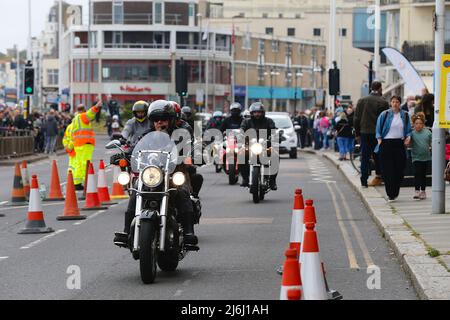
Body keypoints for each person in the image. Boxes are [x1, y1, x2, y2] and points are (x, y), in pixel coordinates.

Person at [114, 100, 199, 248]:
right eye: (155, 120)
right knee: (136, 190)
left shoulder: (182, 131)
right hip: (153, 173)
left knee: (182, 191)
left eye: (163, 119)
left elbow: (190, 145)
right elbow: (136, 146)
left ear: (171, 120)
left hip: (175, 170)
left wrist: (195, 154)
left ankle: (188, 233)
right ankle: (127, 231)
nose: (159, 123)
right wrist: (124, 155)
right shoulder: (149, 134)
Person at [375, 95, 412, 202]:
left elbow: (408, 130)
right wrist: (380, 141)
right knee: (387, 170)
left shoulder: (405, 115)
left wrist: (408, 137)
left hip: (399, 144)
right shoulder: (385, 114)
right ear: (390, 103)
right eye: (393, 102)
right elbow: (378, 129)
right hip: (386, 143)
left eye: (397, 102)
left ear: (400, 103)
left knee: (399, 170)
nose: (395, 104)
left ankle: (395, 191)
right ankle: (390, 193)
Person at [354, 81, 389, 188]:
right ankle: (380, 176)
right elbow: (385, 121)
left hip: (364, 133)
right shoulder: (383, 102)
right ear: (379, 89)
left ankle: (364, 180)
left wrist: (357, 134)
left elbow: (356, 119)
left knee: (365, 157)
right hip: (378, 134)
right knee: (379, 156)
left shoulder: (361, 101)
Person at [239, 102, 278, 190]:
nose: (257, 114)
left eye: (259, 112)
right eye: (255, 112)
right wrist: (240, 135)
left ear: (263, 112)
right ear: (251, 113)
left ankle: (272, 180)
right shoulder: (246, 121)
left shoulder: (269, 121)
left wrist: (275, 137)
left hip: (265, 145)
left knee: (275, 155)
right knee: (241, 155)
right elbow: (241, 130)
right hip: (250, 145)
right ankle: (245, 178)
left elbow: (274, 131)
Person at [71, 102, 102, 190]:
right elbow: (90, 114)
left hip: (77, 144)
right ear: (84, 110)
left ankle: (77, 183)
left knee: (79, 164)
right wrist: (96, 107)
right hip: (85, 143)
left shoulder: (75, 119)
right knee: (86, 164)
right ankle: (87, 183)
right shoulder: (83, 116)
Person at [409, 112, 431, 200]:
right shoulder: (412, 133)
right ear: (413, 124)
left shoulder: (428, 132)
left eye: (420, 123)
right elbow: (408, 143)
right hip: (416, 157)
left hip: (426, 157)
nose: (418, 125)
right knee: (417, 173)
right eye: (416, 123)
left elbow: (432, 141)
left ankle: (423, 191)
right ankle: (417, 191)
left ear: (423, 124)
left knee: (423, 175)